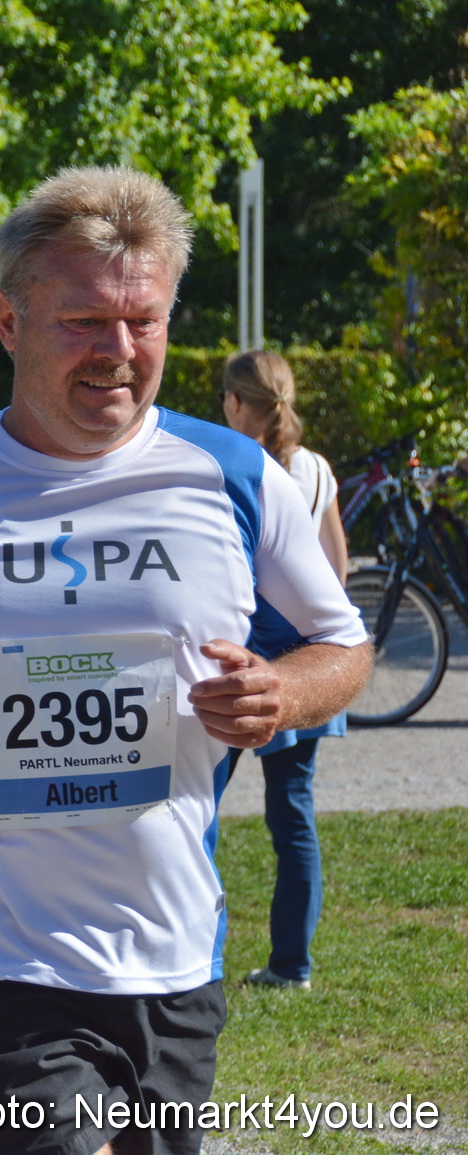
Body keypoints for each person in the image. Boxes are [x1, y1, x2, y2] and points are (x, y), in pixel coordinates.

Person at [0, 167, 371, 1155]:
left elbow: (340, 642)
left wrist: (282, 694)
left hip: (174, 953)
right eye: (83, 321)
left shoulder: (230, 477)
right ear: (7, 324)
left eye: (142, 322)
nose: (118, 352)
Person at [219, 348, 349, 992]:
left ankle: (191, 961)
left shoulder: (229, 471)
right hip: (306, 662)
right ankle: (291, 965)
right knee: (293, 817)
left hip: (239, 660)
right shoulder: (317, 469)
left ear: (237, 404)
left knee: (193, 811)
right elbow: (337, 571)